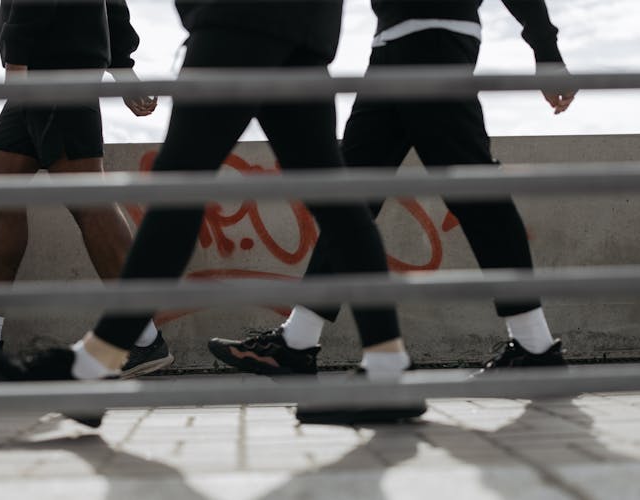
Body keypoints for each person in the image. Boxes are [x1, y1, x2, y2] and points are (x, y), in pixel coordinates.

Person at [0, 0, 428, 426]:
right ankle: (387, 369)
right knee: (332, 195)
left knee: (181, 191)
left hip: (235, 22)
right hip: (304, 23)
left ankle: (93, 364)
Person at [208, 0, 576, 377]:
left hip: (435, 37)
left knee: (474, 189)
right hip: (389, 47)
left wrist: (546, 49)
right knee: (351, 199)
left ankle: (536, 347)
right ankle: (296, 342)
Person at [0, 0, 172, 379]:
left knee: (88, 201)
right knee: (0, 182)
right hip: (54, 64)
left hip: (51, 69)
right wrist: (123, 67)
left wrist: (18, 62)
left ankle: (142, 338)